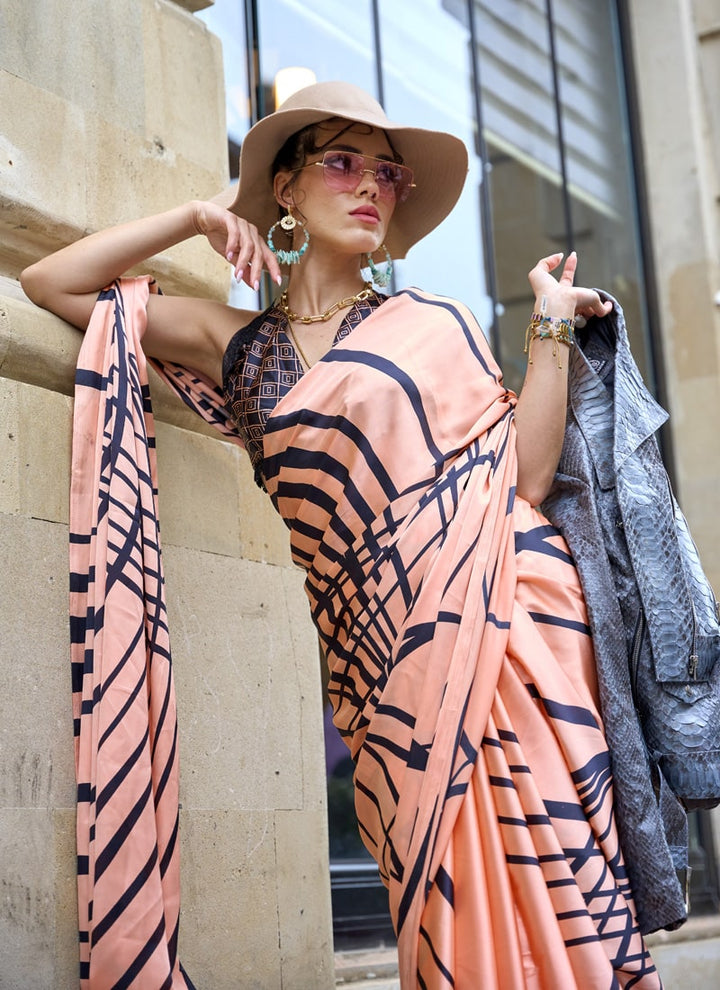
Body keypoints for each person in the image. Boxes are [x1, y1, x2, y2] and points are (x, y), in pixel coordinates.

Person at [21, 81, 668, 989]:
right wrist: (191, 215)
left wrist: (551, 330)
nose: (372, 184)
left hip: (509, 639)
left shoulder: (432, 324)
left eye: (388, 171)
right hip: (377, 671)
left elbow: (520, 478)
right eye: (341, 160)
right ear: (283, 189)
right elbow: (49, 282)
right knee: (438, 903)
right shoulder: (233, 343)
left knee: (547, 884)